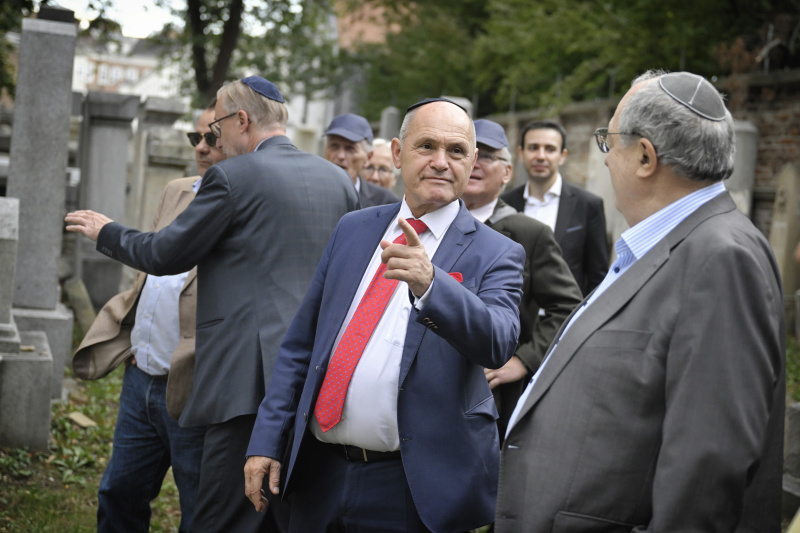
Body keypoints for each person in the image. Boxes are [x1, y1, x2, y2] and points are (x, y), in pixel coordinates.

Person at [65, 76, 359, 533]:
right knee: (286, 513)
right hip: (312, 379)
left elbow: (164, 254)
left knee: (219, 517)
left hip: (243, 383)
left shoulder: (232, 176)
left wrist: (106, 231)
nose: (213, 140)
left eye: (217, 127)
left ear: (242, 120)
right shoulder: (337, 180)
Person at [496, 71, 785, 532]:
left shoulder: (722, 258)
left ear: (645, 156)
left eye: (608, 143)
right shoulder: (665, 243)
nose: (606, 162)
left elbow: (704, 476)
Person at [244, 98, 525, 533]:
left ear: (472, 161)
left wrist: (433, 285)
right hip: (319, 474)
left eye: (456, 151)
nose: (440, 162)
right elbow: (301, 346)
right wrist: (266, 439)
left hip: (411, 488)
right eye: (426, 146)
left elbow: (499, 340)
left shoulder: (497, 251)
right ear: (397, 153)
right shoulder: (353, 228)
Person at [72, 101, 224, 533]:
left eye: (212, 138)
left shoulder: (242, 206)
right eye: (196, 137)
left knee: (198, 509)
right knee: (119, 492)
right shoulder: (177, 190)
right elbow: (154, 266)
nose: (201, 147)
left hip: (193, 385)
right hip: (141, 376)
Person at [463, 118, 582, 439]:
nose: (475, 163)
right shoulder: (428, 223)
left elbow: (569, 306)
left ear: (506, 172)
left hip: (488, 401)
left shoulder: (528, 234)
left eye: (487, 156)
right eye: (466, 153)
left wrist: (523, 360)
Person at [501, 120, 608, 295]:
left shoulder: (588, 205)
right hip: (515, 315)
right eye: (533, 147)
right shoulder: (506, 204)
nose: (541, 156)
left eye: (550, 149)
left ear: (562, 155)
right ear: (521, 153)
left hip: (567, 316)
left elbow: (598, 276)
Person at [324, 113, 400, 207]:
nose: (341, 156)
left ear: (368, 157)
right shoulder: (308, 190)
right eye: (334, 146)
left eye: (350, 149)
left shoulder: (387, 203)